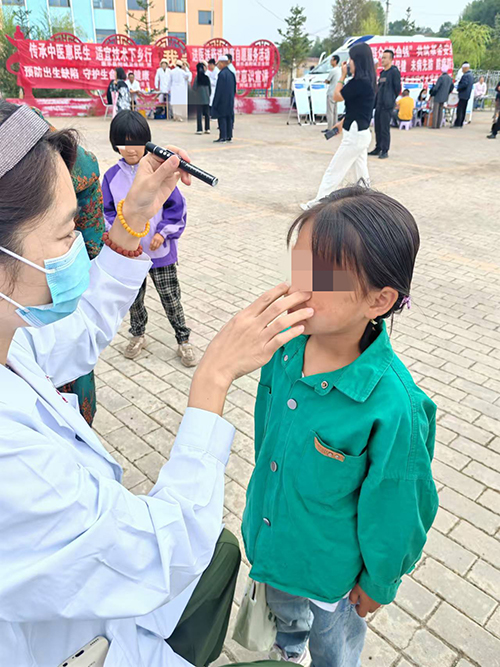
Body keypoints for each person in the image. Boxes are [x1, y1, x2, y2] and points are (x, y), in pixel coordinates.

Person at [0, 100, 314, 667]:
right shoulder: (13, 468)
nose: (80, 249)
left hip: (95, 610)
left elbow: (74, 332)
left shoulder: (10, 340)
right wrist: (213, 377)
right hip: (75, 643)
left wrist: (135, 217)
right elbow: (164, 549)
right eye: (68, 233)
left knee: (221, 551)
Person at [242, 186, 438, 666]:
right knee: (285, 616)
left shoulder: (394, 406)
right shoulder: (284, 350)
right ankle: (289, 650)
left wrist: (379, 582)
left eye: (323, 276)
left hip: (335, 575)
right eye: (300, 267)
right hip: (276, 543)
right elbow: (268, 437)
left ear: (379, 300)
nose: (300, 286)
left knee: (334, 644)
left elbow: (398, 508)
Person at [101, 110, 197, 366]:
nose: (131, 149)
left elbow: (177, 209)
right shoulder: (110, 177)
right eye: (123, 143)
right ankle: (138, 334)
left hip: (160, 253)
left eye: (136, 142)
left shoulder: (159, 173)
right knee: (134, 299)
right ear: (114, 144)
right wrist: (118, 237)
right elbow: (107, 212)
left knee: (170, 297)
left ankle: (183, 338)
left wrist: (162, 233)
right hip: (130, 255)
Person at [301, 43, 376, 209]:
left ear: (358, 61)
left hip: (355, 136)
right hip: (359, 133)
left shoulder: (359, 82)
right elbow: (357, 110)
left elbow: (336, 96)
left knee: (334, 171)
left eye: (351, 59)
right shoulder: (368, 81)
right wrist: (340, 125)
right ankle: (369, 203)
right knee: (361, 173)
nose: (349, 63)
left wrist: (342, 76)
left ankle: (319, 203)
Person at [369, 49, 401, 159]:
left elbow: (397, 89)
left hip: (387, 105)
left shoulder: (394, 72)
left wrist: (390, 99)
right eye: (382, 58)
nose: (382, 60)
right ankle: (378, 147)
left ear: (391, 59)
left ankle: (385, 150)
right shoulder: (382, 73)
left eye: (385, 58)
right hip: (379, 104)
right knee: (377, 127)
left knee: (384, 128)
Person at [211, 55, 236, 143]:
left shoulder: (222, 74)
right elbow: (234, 88)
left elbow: (219, 90)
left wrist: (216, 102)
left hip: (222, 100)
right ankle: (229, 136)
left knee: (222, 118)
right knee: (229, 117)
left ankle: (223, 137)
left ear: (222, 63)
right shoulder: (231, 74)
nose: (218, 65)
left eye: (218, 63)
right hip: (230, 100)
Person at [193, 62, 211, 135]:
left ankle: (199, 129)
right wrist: (208, 96)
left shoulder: (197, 78)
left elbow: (194, 88)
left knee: (199, 114)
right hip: (206, 99)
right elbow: (210, 89)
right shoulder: (207, 78)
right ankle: (207, 128)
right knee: (207, 114)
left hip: (199, 99)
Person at [324, 55, 341, 132]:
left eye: (332, 60)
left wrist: (325, 81)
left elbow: (327, 80)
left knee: (330, 111)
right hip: (337, 93)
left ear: (335, 61)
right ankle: (335, 127)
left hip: (331, 92)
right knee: (335, 111)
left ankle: (330, 128)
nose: (331, 62)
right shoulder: (340, 70)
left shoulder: (333, 70)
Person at [453, 62, 474, 128]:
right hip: (467, 95)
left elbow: (464, 84)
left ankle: (458, 123)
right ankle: (461, 122)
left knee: (460, 109)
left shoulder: (465, 75)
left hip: (463, 95)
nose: (462, 70)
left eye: (462, 68)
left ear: (465, 68)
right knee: (463, 109)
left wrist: (458, 88)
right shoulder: (471, 75)